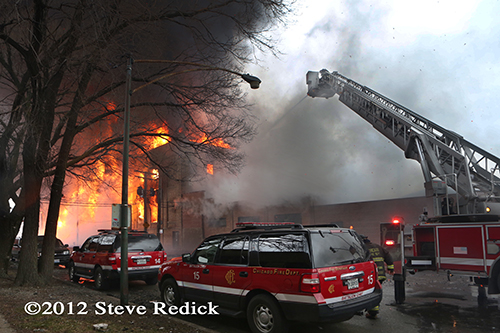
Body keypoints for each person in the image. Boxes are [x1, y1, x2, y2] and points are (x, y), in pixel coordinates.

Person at [361, 235, 394, 319]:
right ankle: (373, 311)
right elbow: (388, 256)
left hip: (371, 276)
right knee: (376, 292)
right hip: (380, 275)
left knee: (370, 293)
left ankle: (372, 312)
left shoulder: (362, 248)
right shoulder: (377, 247)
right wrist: (391, 268)